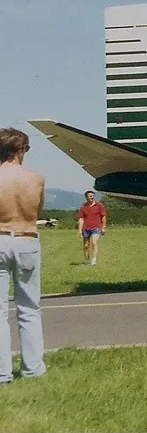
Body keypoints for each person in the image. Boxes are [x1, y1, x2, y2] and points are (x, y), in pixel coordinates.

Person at [0, 127, 47, 383]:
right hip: (26, 239)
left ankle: (2, 372)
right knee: (29, 308)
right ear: (20, 150)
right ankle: (33, 368)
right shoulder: (36, 178)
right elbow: (36, 214)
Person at [77, 190, 106, 265]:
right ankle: (88, 259)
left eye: (93, 196)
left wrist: (103, 227)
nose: (92, 197)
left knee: (94, 242)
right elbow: (81, 219)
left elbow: (103, 216)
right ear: (86, 197)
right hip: (86, 228)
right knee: (86, 245)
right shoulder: (83, 207)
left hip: (96, 227)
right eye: (90, 196)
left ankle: (94, 259)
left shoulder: (99, 205)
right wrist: (80, 230)